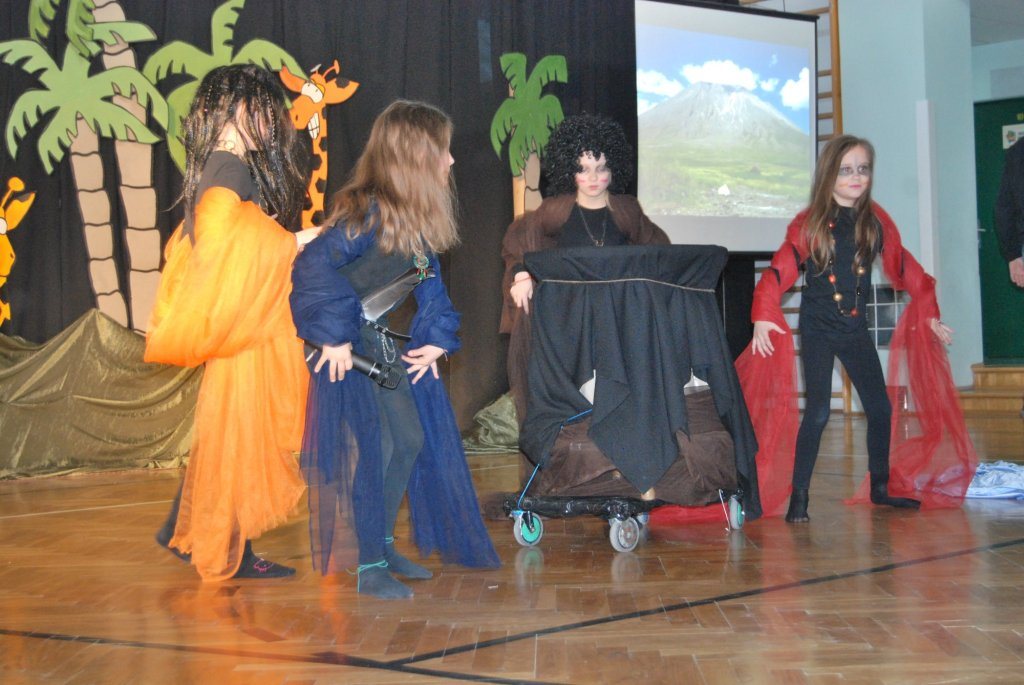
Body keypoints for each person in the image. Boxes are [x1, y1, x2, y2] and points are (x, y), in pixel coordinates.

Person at [290, 100, 500, 600]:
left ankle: (382, 547)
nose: (451, 160)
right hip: (343, 345)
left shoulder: (414, 219)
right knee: (379, 446)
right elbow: (312, 267)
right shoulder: (367, 211)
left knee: (408, 439)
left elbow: (428, 281)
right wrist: (333, 336)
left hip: (372, 337)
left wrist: (436, 338)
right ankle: (370, 567)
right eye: (443, 150)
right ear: (416, 155)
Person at [738, 134, 976, 522]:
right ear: (829, 175)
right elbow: (779, 271)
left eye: (862, 169)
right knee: (818, 413)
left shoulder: (875, 223)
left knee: (880, 408)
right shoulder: (810, 224)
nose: (856, 177)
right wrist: (763, 311)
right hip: (817, 329)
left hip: (854, 329)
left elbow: (907, 268)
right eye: (846, 170)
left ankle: (880, 488)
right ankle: (800, 497)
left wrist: (929, 311)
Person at [145, 64, 319, 580]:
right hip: (246, 339)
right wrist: (295, 241)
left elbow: (224, 241)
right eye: (265, 113)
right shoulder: (230, 169)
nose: (272, 125)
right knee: (238, 442)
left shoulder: (220, 166)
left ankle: (201, 537)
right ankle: (224, 551)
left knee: (231, 440)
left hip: (243, 331)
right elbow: (222, 242)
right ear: (240, 110)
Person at [500, 113, 669, 430]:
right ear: (569, 170)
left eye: (601, 168)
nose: (593, 177)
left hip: (619, 320)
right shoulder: (555, 211)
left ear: (613, 169)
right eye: (583, 169)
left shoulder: (627, 210)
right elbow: (519, 244)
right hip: (569, 322)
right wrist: (521, 274)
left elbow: (658, 251)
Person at [995, 139, 1024, 288]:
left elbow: (1004, 207)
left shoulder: (1017, 151)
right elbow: (1004, 207)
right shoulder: (1018, 152)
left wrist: (1013, 256)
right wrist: (1013, 255)